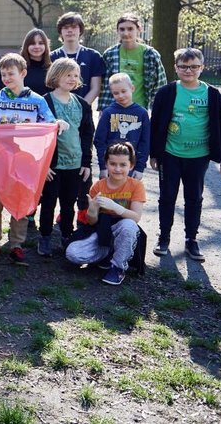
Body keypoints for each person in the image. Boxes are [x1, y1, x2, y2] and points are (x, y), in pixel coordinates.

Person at [0, 53, 65, 266]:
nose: (6, 78)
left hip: (25, 161)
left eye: (10, 74)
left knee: (21, 202)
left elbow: (48, 123)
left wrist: (58, 123)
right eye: (3, 74)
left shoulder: (37, 101)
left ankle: (16, 245)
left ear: (22, 73)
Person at [150, 47, 221, 261]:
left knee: (194, 198)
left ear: (202, 67)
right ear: (176, 68)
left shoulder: (212, 94)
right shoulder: (167, 92)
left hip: (199, 156)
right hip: (170, 155)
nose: (189, 70)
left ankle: (191, 240)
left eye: (194, 66)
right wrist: (154, 154)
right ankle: (164, 238)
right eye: (184, 67)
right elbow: (155, 125)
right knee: (167, 197)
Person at [65, 142, 146, 285]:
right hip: (102, 230)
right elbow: (91, 222)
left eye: (123, 165)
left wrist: (116, 207)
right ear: (106, 164)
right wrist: (92, 210)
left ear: (131, 166)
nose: (117, 169)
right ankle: (107, 254)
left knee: (129, 225)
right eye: (113, 164)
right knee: (72, 254)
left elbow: (136, 217)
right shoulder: (98, 186)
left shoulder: (136, 185)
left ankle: (118, 267)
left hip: (123, 229)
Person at [38, 58, 94, 256]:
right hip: (53, 166)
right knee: (48, 202)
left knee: (68, 203)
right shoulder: (44, 102)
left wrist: (86, 162)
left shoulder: (82, 105)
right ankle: (44, 237)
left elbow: (87, 135)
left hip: (75, 164)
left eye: (75, 75)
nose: (72, 79)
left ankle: (66, 236)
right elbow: (38, 136)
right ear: (55, 76)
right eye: (67, 74)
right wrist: (43, 165)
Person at [99, 13, 167, 112]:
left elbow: (160, 85)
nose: (126, 33)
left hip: (140, 108)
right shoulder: (110, 54)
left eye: (130, 29)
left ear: (139, 30)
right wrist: (103, 109)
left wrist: (155, 110)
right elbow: (104, 85)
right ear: (117, 31)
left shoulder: (150, 54)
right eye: (122, 29)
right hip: (114, 108)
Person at [94, 73, 150, 179]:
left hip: (131, 167)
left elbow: (145, 142)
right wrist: (103, 167)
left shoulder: (141, 113)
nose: (120, 96)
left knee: (130, 194)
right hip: (111, 166)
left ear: (132, 88)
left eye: (124, 91)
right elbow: (99, 141)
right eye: (116, 93)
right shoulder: (108, 112)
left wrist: (139, 168)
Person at [50, 12, 106, 105]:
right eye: (66, 28)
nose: (70, 30)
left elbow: (95, 88)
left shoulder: (93, 55)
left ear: (80, 30)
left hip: (84, 109)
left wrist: (81, 107)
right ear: (60, 31)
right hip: (57, 109)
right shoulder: (52, 57)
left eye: (74, 27)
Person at [20, 28, 52, 95]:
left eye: (41, 43)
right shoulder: (19, 67)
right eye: (32, 43)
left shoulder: (52, 67)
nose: (37, 46)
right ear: (26, 46)